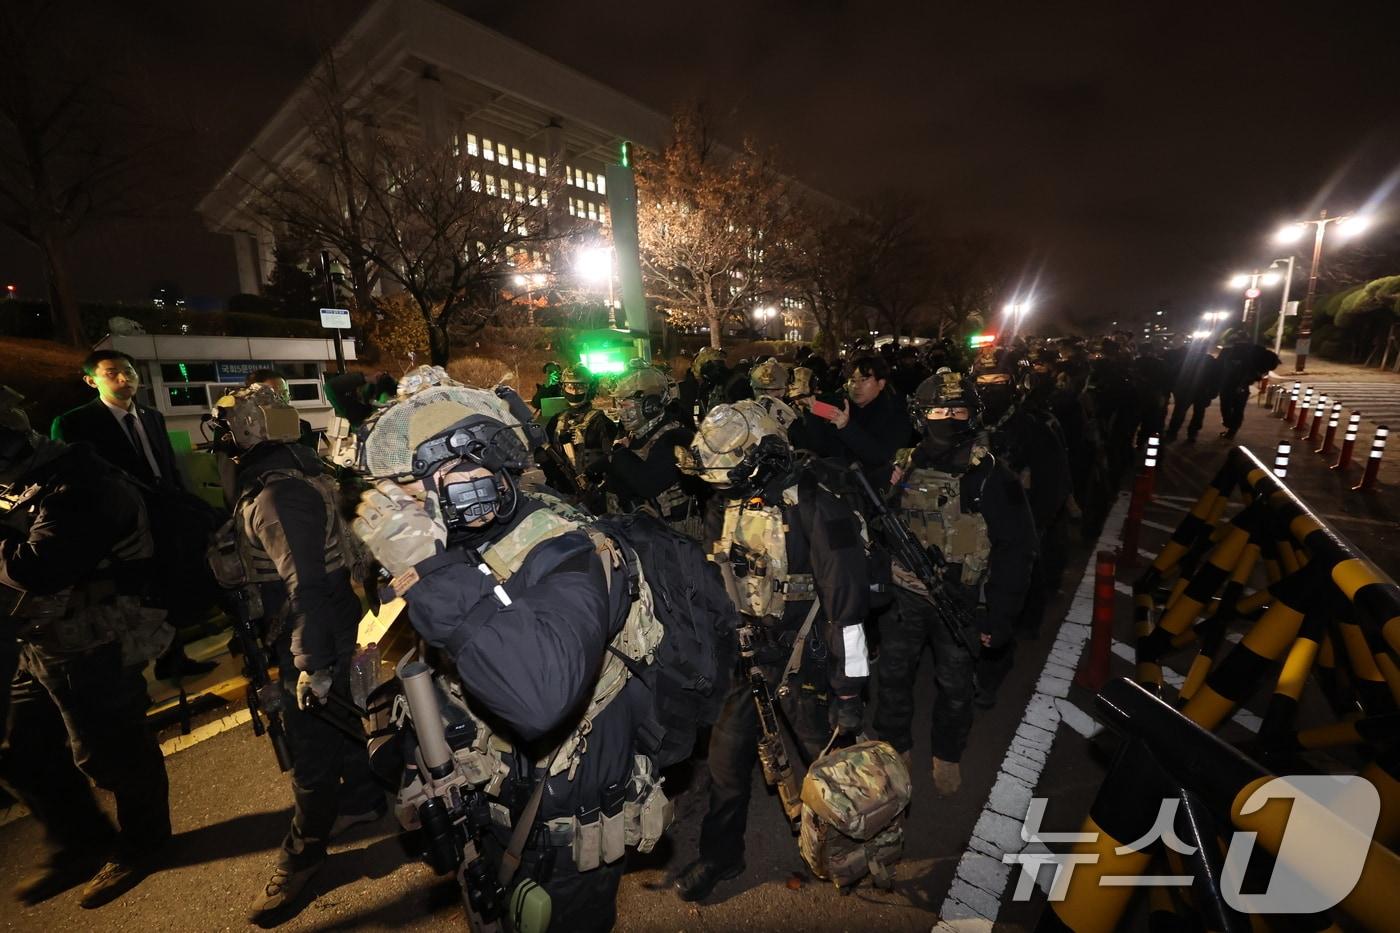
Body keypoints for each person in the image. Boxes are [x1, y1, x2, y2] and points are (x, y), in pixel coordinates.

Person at [349, 366, 667, 932]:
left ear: (471, 466)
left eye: (412, 486)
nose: (403, 503)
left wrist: (430, 566)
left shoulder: (569, 549)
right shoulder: (467, 540)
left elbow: (539, 695)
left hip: (563, 831)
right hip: (494, 801)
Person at [672, 400, 870, 902]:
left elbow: (847, 609)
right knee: (725, 764)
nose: (722, 486)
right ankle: (722, 855)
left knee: (829, 764)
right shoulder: (733, 498)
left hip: (807, 659)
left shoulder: (816, 503)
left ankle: (854, 847)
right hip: (743, 653)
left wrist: (849, 692)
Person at [206, 384, 385, 922]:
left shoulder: (277, 494)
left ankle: (302, 855)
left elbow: (303, 583)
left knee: (307, 752)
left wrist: (305, 665)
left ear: (249, 431)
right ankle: (361, 802)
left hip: (308, 629)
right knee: (340, 720)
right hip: (324, 621)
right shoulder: (298, 474)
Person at [0, 387, 172, 909]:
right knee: (19, 750)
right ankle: (80, 842)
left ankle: (144, 841)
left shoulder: (77, 481)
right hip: (38, 641)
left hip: (94, 636)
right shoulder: (20, 481)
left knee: (111, 748)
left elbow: (40, 567)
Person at [873, 369, 1035, 796]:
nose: (948, 418)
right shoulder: (904, 463)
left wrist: (998, 614)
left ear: (973, 415)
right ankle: (896, 748)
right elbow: (882, 521)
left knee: (956, 685)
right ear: (921, 415)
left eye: (957, 409)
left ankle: (947, 753)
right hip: (903, 594)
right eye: (938, 409)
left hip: (960, 597)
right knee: (891, 677)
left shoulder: (990, 475)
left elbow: (1017, 548)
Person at [51, 349, 217, 679]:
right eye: (112, 372)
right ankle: (133, 669)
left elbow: (167, 465)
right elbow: (73, 482)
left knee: (167, 585)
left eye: (129, 370)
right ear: (91, 380)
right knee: (131, 594)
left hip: (164, 516)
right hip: (121, 527)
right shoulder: (74, 424)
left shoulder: (151, 416)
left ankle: (173, 657)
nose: (124, 378)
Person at [605, 366, 702, 538]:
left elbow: (647, 485)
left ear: (650, 405)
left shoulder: (676, 437)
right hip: (644, 536)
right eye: (618, 404)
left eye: (624, 404)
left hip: (675, 540)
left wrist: (619, 456)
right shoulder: (639, 435)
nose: (620, 411)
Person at [798, 354, 912, 494]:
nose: (857, 386)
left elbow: (881, 455)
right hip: (836, 485)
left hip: (874, 492)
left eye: (864, 380)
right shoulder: (841, 406)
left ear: (881, 384)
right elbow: (820, 449)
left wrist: (846, 427)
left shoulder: (896, 414)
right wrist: (811, 413)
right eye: (852, 380)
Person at [541, 365, 615, 512]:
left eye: (580, 386)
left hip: (594, 493)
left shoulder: (601, 422)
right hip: (562, 494)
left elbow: (611, 458)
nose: (574, 391)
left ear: (590, 388)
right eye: (569, 386)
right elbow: (544, 454)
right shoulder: (556, 420)